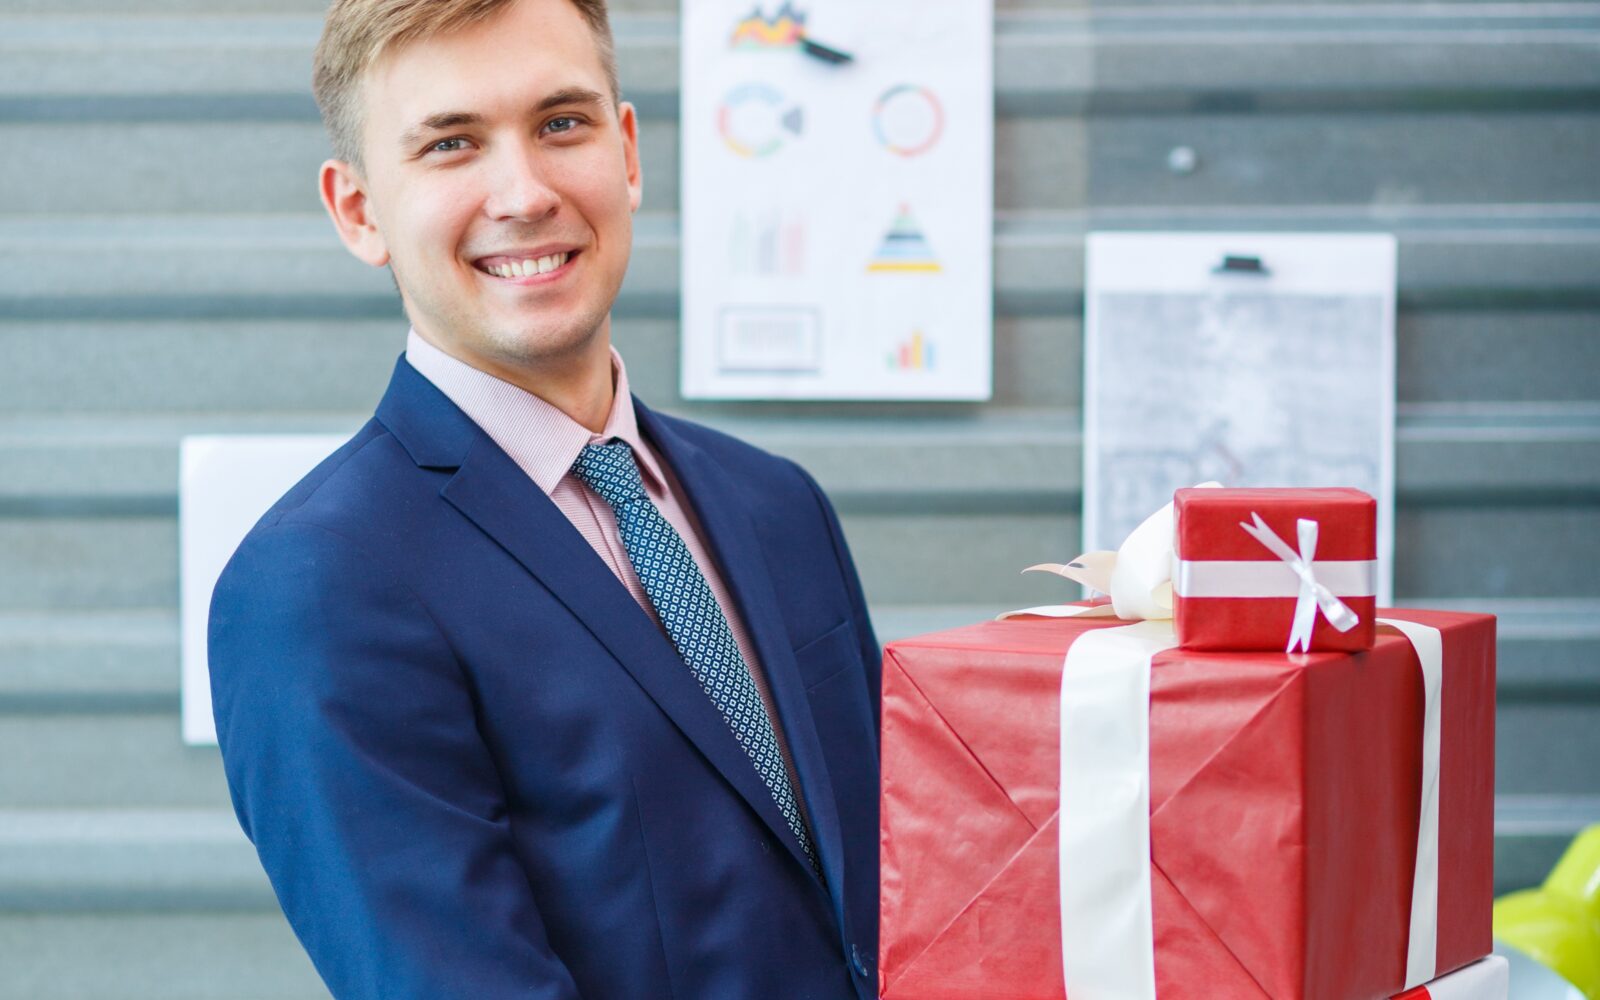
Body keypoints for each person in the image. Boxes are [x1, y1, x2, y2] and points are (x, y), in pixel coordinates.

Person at [206, 0, 881, 997]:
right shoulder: (318, 585)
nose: (524, 194)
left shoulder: (779, 506)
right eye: (451, 144)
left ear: (628, 151)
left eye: (561, 123)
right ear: (359, 211)